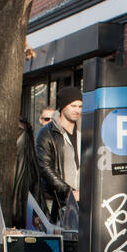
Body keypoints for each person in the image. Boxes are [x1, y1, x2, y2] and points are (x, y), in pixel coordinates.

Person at [35, 85, 82, 221]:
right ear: (63, 106)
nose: (77, 110)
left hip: (82, 199)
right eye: (73, 106)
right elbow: (45, 167)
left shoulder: (85, 130)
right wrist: (68, 191)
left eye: (80, 106)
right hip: (56, 200)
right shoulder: (46, 133)